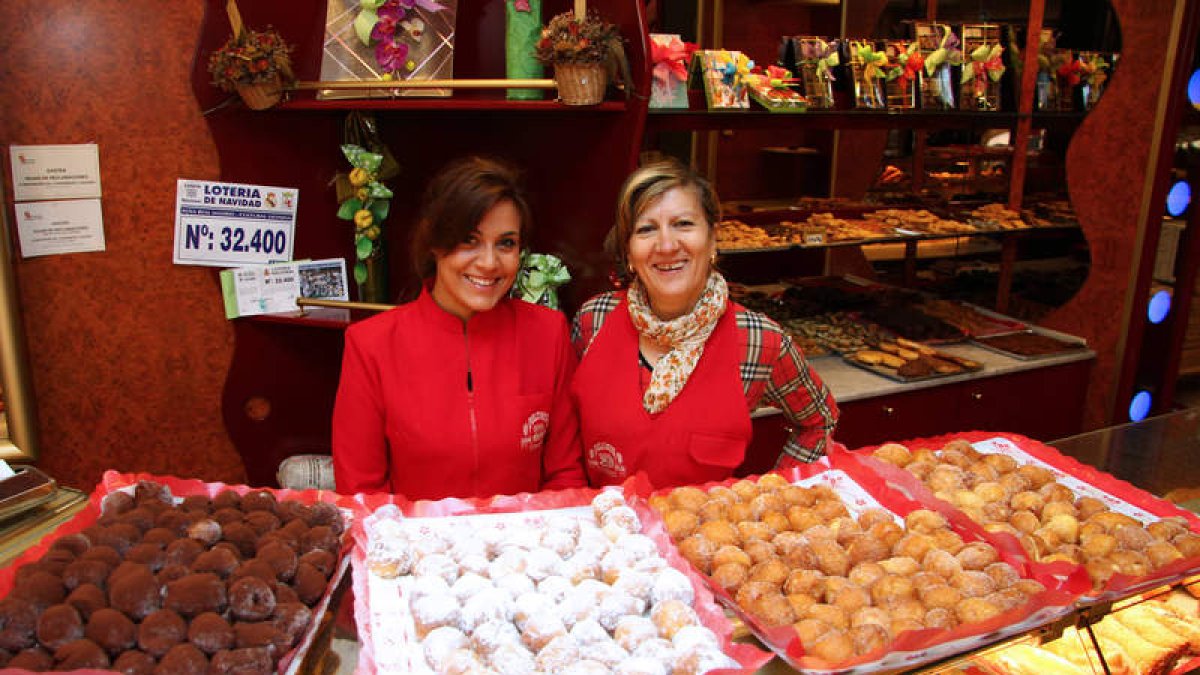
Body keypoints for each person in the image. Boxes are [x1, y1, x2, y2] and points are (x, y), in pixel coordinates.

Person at [571, 159, 838, 488]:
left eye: (683, 224)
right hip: (604, 532)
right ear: (628, 251)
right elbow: (563, 435)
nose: (667, 245)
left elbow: (818, 421)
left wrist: (774, 495)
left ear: (712, 239)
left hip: (697, 534)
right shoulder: (592, 321)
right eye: (645, 229)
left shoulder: (759, 341)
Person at [333, 156, 586, 499]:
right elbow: (362, 493)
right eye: (469, 240)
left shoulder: (547, 332)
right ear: (435, 243)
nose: (489, 262)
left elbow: (566, 476)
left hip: (525, 546)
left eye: (506, 243)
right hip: (416, 547)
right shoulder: (371, 344)